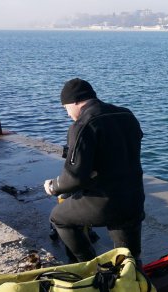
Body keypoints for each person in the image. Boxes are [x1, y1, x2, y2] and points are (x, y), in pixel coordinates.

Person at [43, 78, 145, 263]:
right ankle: (134, 281)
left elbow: (74, 178)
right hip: (134, 198)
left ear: (75, 101)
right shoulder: (126, 115)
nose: (67, 114)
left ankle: (89, 266)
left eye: (65, 108)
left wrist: (54, 186)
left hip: (105, 202)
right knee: (128, 258)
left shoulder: (83, 125)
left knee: (58, 217)